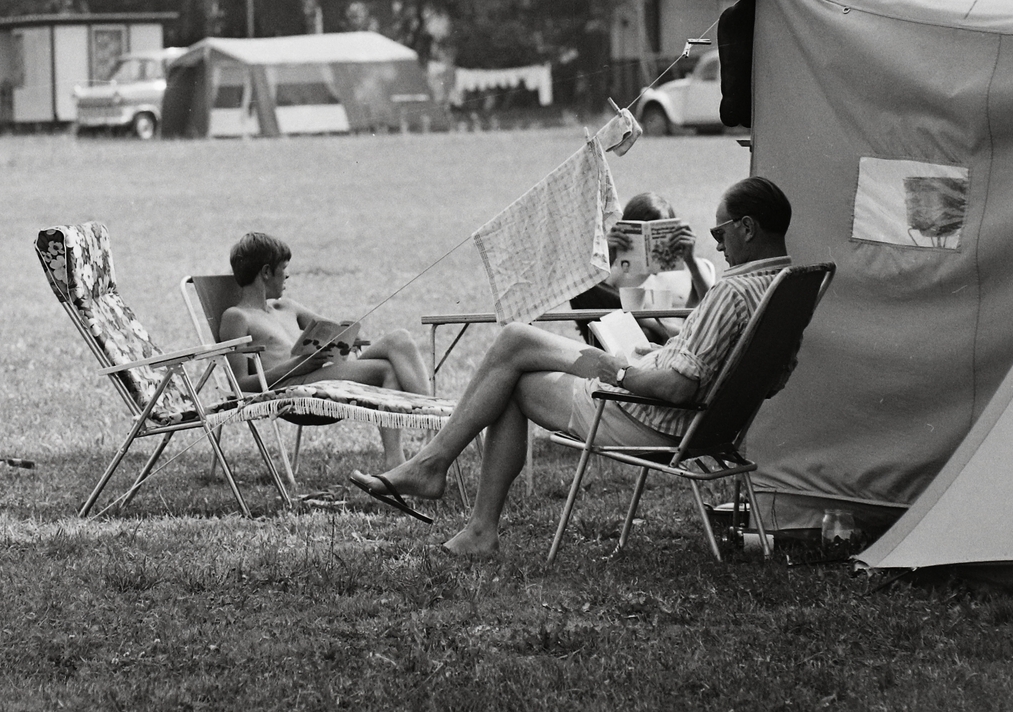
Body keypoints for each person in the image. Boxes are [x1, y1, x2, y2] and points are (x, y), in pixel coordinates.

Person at [350, 177, 794, 556]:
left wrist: (617, 371)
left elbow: (678, 389)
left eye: (720, 232)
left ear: (748, 228)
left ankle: (441, 479)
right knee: (513, 356)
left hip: (652, 416)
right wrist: (657, 354)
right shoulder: (787, 287)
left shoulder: (732, 292)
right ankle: (460, 507)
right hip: (707, 424)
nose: (717, 242)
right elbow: (774, 379)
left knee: (512, 347)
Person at [219, 231, 432, 471]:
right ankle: (426, 436)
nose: (288, 274)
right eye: (284, 268)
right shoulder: (236, 317)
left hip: (317, 376)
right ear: (267, 272)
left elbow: (335, 331)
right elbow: (240, 385)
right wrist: (297, 365)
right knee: (386, 368)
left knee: (399, 339)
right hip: (289, 389)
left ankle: (417, 442)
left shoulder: (286, 307)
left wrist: (347, 334)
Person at [570, 191, 717, 344]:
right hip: (638, 350)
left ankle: (652, 324)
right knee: (585, 289)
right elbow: (593, 308)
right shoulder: (617, 272)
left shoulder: (693, 268)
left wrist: (691, 260)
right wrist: (609, 255)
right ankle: (655, 325)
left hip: (681, 348)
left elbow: (714, 303)